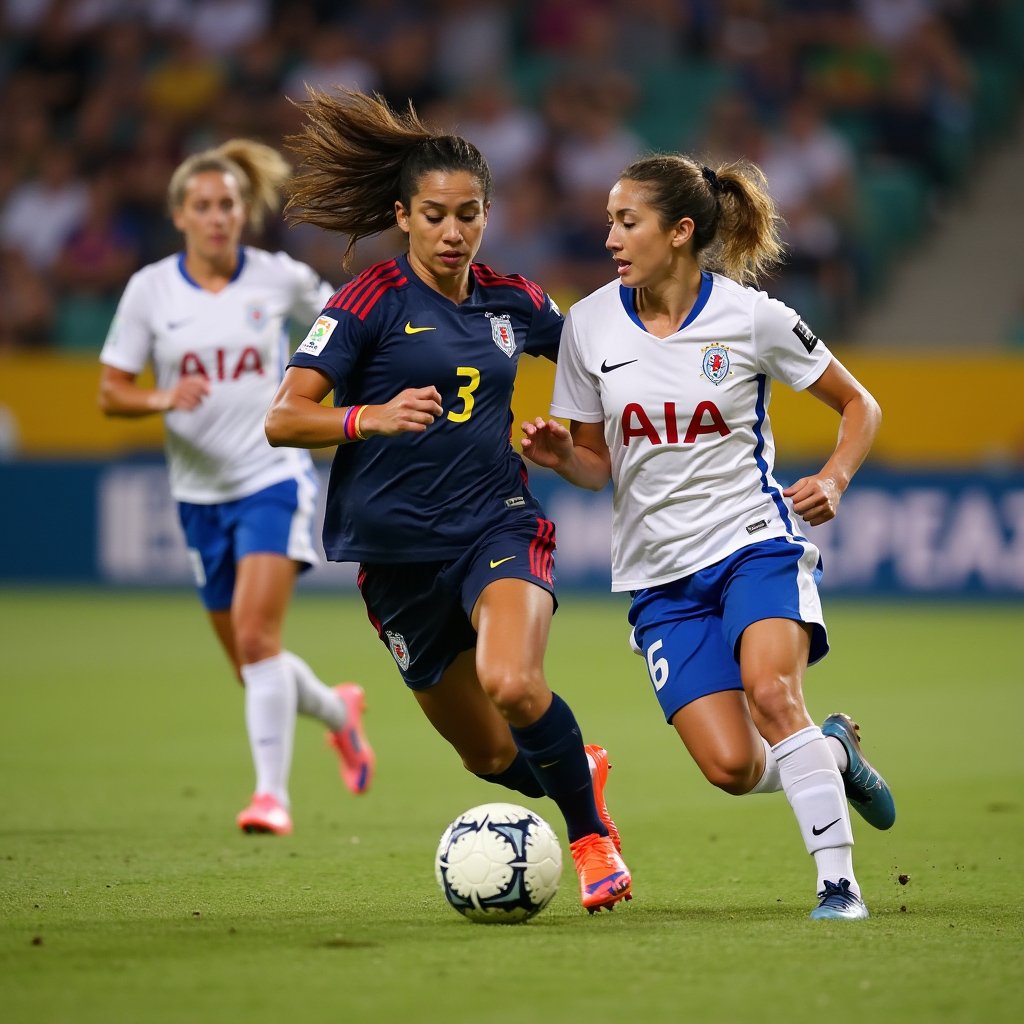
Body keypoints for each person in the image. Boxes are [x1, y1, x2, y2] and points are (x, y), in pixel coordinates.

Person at [263, 88, 631, 914]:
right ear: (403, 215)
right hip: (395, 562)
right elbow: (284, 417)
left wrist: (573, 448)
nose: (453, 232)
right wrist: (371, 417)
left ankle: (590, 840)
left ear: (488, 214)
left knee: (513, 681)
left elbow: (601, 356)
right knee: (493, 757)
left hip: (496, 525)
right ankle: (580, 769)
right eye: (435, 215)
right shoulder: (368, 304)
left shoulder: (516, 300)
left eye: (469, 214)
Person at [521, 153, 896, 920]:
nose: (612, 238)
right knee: (729, 766)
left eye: (628, 222)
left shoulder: (752, 317)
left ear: (681, 230)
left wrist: (833, 478)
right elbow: (598, 465)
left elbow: (861, 407)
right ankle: (832, 751)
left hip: (751, 542)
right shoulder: (588, 325)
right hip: (659, 577)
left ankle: (838, 885)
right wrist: (565, 458)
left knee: (770, 693)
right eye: (609, 222)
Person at [97, 138, 375, 837]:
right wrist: (163, 401)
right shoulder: (150, 290)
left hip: (271, 477)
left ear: (244, 212)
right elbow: (111, 392)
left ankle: (270, 797)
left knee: (257, 638)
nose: (218, 216)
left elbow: (348, 327)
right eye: (203, 206)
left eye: (228, 204)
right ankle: (342, 713)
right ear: (180, 215)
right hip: (196, 496)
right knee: (254, 664)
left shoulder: (277, 280)